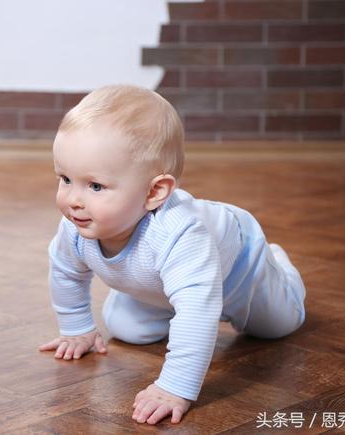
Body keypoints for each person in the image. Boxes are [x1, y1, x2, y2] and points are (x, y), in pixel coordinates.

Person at [38, 84, 306, 426]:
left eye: (95, 186)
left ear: (154, 192)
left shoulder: (180, 233)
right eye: (65, 179)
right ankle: (165, 299)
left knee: (279, 325)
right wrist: (77, 328)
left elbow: (197, 312)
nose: (73, 200)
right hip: (160, 282)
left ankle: (278, 264)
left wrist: (174, 387)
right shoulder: (76, 227)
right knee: (126, 329)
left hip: (239, 266)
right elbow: (66, 272)